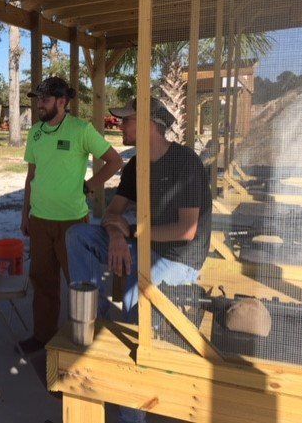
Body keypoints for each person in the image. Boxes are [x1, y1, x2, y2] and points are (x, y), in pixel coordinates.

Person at [66, 95, 212, 423]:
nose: (120, 125)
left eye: (127, 120)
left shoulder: (184, 162)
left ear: (149, 124)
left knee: (134, 339)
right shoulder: (135, 163)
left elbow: (185, 230)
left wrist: (129, 233)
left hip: (178, 261)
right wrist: (117, 236)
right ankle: (96, 318)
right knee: (78, 236)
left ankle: (132, 415)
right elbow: (112, 212)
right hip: (142, 247)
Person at [19, 76, 122, 354]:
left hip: (72, 224)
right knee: (43, 282)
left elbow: (115, 161)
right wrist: (25, 213)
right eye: (39, 99)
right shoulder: (36, 132)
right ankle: (42, 337)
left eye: (46, 99)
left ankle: (85, 341)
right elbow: (31, 175)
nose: (40, 104)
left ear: (63, 102)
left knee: (80, 285)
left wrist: (89, 186)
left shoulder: (81, 129)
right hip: (40, 220)